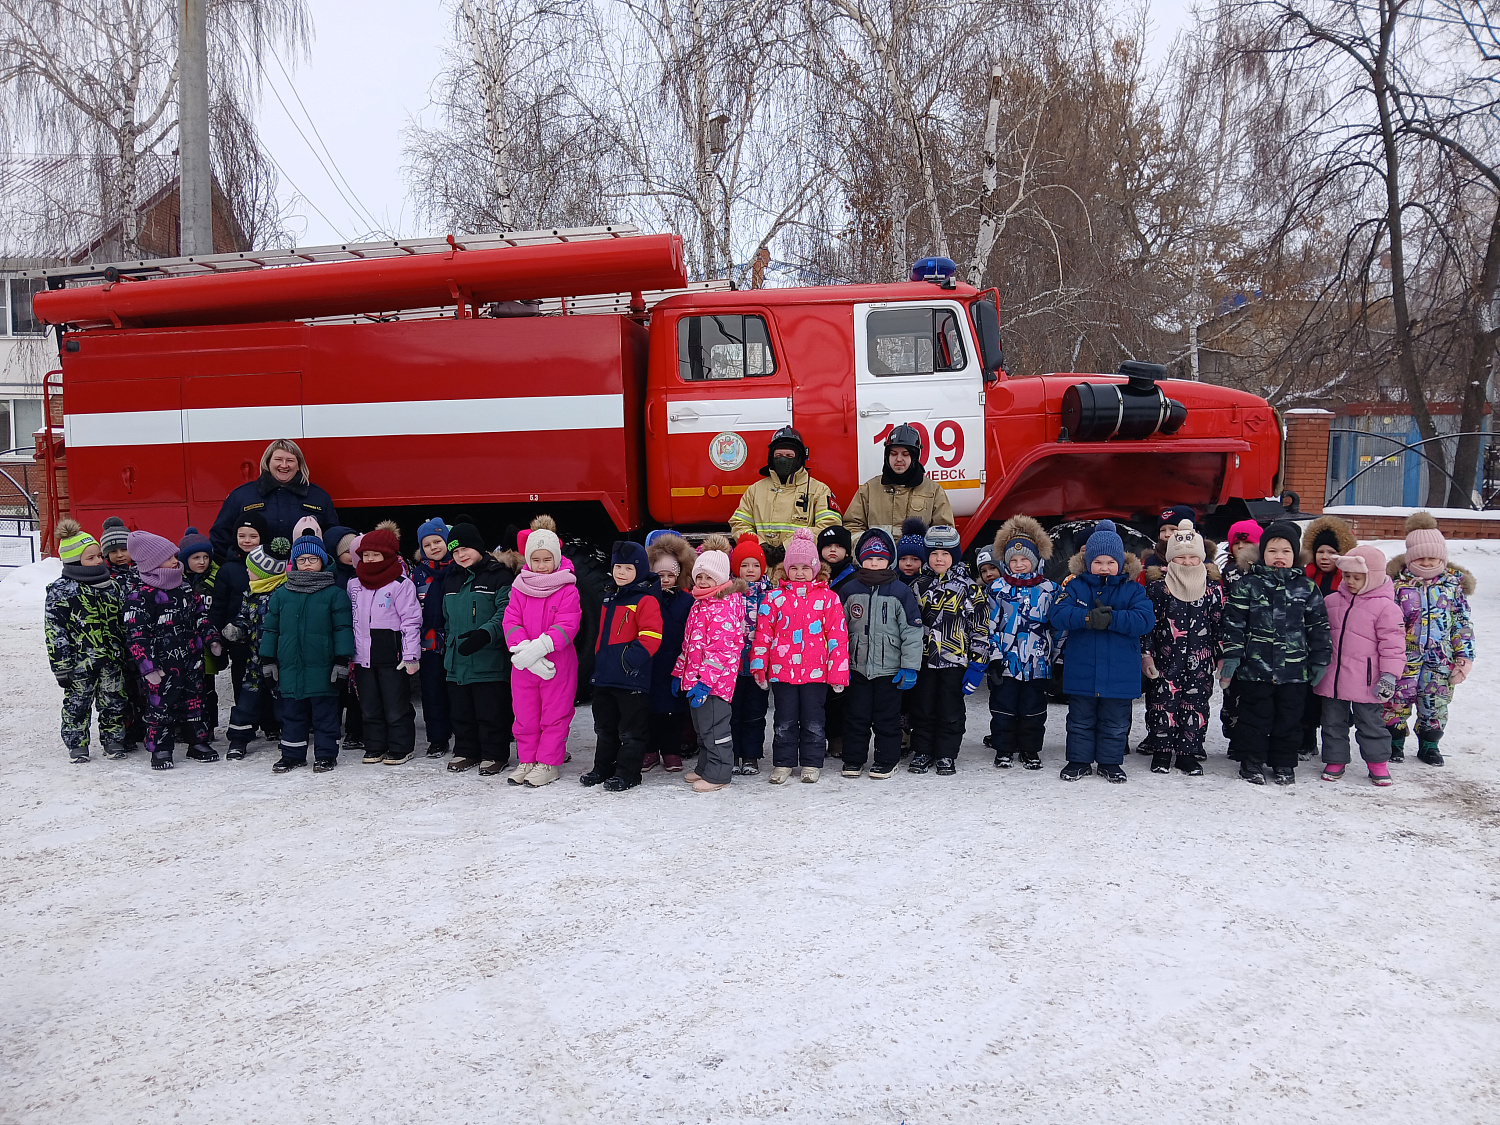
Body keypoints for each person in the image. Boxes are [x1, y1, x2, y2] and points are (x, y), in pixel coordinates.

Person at [1219, 520, 1332, 785]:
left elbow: (1319, 627)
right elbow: (1234, 622)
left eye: (1285, 551)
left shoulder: (1306, 588)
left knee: (1289, 719)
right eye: (1272, 551)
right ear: (1262, 554)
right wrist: (1233, 655)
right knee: (1254, 718)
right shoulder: (1248, 585)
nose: (1279, 556)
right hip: (1255, 669)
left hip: (1294, 671)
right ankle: (1253, 761)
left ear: (1294, 555)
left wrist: (1319, 660)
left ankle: (1284, 763)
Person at [1048, 520, 1155, 782]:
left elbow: (1145, 620)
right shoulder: (1074, 586)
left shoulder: (1134, 590)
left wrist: (1112, 620)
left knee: (1115, 723)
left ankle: (1110, 762)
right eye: (1098, 562)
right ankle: (1078, 761)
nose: (1104, 567)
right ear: (1088, 562)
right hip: (1083, 670)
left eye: (1110, 562)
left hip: (1119, 674)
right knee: (1079, 721)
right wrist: (1087, 618)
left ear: (1120, 562)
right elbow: (1058, 614)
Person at [751, 527, 850, 784]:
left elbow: (837, 638)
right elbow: (763, 635)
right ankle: (783, 763)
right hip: (783, 672)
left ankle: (811, 762)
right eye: (794, 568)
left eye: (805, 568)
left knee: (814, 720)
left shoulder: (829, 599)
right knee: (784, 719)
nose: (799, 573)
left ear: (815, 569)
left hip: (816, 672)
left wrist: (838, 672)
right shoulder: (774, 598)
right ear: (786, 569)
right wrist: (759, 666)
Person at [122, 531, 219, 770]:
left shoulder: (184, 586)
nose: (176, 561)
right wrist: (148, 667)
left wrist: (212, 639)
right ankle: (161, 748)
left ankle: (198, 742)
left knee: (195, 703)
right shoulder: (140, 595)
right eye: (169, 558)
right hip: (161, 667)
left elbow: (200, 615)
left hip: (191, 660)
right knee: (160, 707)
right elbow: (137, 635)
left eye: (175, 556)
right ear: (152, 564)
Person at [1385, 512, 1476, 766]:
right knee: (1396, 701)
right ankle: (1394, 742)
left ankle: (1429, 744)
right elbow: (1386, 623)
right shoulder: (1396, 586)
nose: (1426, 562)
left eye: (1432, 557)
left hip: (1440, 660)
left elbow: (1462, 623)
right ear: (1410, 558)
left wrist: (1464, 656)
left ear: (1442, 557)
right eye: (1420, 557)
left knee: (1434, 703)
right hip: (1403, 658)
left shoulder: (1451, 587)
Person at [260, 536, 354, 773]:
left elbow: (342, 629)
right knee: (291, 714)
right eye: (302, 559)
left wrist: (342, 661)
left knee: (325, 715)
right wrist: (268, 659)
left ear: (323, 560)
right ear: (294, 563)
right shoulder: (282, 594)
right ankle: (292, 755)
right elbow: (271, 629)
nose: (307, 563)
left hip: (322, 666)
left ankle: (325, 755)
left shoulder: (334, 593)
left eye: (313, 559)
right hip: (290, 667)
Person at [835, 528, 923, 779]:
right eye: (869, 558)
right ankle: (853, 759)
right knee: (855, 717)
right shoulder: (849, 590)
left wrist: (909, 666)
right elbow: (837, 630)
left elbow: (912, 632)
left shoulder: (899, 592)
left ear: (889, 561)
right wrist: (838, 666)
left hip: (890, 670)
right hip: (857, 668)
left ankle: (886, 759)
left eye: (880, 559)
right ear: (860, 559)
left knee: (887, 718)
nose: (874, 563)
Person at [1314, 545, 1404, 785]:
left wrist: (1389, 676)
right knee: (1332, 722)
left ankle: (1377, 763)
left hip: (1367, 681)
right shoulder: (1331, 601)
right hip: (1332, 678)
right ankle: (1335, 759)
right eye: (1347, 576)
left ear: (1373, 575)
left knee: (1371, 723)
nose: (1350, 581)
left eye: (1357, 577)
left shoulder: (1386, 608)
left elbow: (1393, 647)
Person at [1140, 520, 1223, 775]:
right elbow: (1149, 626)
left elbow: (1220, 625)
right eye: (1181, 557)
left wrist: (1221, 657)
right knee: (1162, 706)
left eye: (1192, 557)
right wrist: (1147, 655)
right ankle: (1162, 751)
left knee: (1195, 707)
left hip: (1200, 664)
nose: (1187, 562)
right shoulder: (1159, 589)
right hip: (1167, 663)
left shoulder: (1212, 590)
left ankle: (1188, 752)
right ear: (1171, 559)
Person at [502, 527, 581, 788]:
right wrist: (526, 652)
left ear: (556, 559)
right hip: (525, 664)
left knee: (554, 714)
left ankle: (548, 762)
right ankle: (527, 759)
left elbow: (568, 623)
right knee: (525, 714)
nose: (541, 565)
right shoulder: (520, 587)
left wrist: (541, 648)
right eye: (536, 559)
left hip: (557, 664)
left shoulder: (567, 588)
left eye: (547, 559)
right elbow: (511, 619)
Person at [582, 541, 663, 792]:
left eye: (628, 568)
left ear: (639, 570)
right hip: (605, 677)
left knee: (631, 732)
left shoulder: (645, 600)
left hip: (630, 679)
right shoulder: (610, 596)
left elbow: (651, 637)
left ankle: (628, 773)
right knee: (604, 728)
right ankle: (603, 768)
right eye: (617, 567)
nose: (621, 573)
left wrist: (628, 661)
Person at [45, 520, 128, 763]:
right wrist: (61, 667)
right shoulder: (61, 591)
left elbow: (121, 622)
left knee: (114, 700)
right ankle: (76, 743)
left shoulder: (111, 586)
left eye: (99, 556)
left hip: (111, 658)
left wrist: (128, 652)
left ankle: (113, 739)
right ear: (73, 561)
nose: (99, 561)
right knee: (77, 705)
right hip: (79, 663)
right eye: (91, 558)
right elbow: (55, 631)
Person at [909, 524, 989, 775]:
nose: (939, 559)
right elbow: (909, 625)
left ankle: (946, 753)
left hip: (954, 662)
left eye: (945, 554)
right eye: (934, 553)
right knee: (922, 709)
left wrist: (977, 664)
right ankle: (922, 751)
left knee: (950, 710)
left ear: (954, 556)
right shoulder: (918, 587)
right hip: (923, 660)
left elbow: (980, 628)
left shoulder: (969, 588)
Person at [673, 547, 750, 793]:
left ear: (721, 579)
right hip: (695, 679)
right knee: (702, 728)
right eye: (699, 576)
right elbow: (690, 644)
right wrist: (678, 672)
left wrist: (705, 682)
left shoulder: (723, 606)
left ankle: (719, 773)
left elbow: (721, 651)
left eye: (709, 577)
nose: (703, 581)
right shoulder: (700, 603)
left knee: (715, 728)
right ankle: (705, 767)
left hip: (714, 684)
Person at [442, 523, 516, 775]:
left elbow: (505, 612)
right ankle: (466, 750)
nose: (461, 555)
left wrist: (485, 634)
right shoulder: (450, 578)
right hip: (457, 659)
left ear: (478, 547)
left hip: (487, 657)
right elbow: (446, 617)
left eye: (465, 549)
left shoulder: (498, 575)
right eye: (454, 552)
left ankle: (494, 754)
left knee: (491, 711)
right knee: (461, 711)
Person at [985, 516, 1056, 771]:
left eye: (1024, 560)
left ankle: (1030, 749)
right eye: (1013, 561)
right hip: (1006, 662)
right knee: (1003, 708)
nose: (1019, 565)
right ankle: (1003, 747)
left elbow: (1057, 627)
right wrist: (992, 656)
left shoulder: (1049, 589)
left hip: (1038, 663)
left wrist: (1055, 657)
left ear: (1036, 560)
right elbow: (988, 624)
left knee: (1033, 709)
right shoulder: (997, 589)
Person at [347, 523, 421, 766]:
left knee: (394, 704)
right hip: (362, 654)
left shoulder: (400, 585)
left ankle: (400, 746)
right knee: (369, 705)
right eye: (365, 556)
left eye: (375, 555)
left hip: (391, 653)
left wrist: (411, 655)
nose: (369, 560)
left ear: (388, 556)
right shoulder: (354, 584)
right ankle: (375, 745)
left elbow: (411, 620)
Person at [209, 438, 339, 561]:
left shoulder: (319, 497)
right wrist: (236, 565)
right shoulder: (241, 496)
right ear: (267, 462)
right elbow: (220, 536)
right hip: (254, 576)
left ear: (298, 465)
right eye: (278, 459)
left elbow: (333, 538)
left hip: (304, 575)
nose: (284, 465)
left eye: (290, 460)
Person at [221, 537, 290, 758]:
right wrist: (237, 629)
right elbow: (244, 618)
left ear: (264, 572)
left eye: (251, 569)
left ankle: (289, 735)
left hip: (280, 661)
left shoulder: (284, 595)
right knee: (247, 701)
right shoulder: (251, 593)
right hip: (254, 660)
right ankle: (238, 739)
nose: (247, 573)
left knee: (283, 700)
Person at [729, 426, 840, 547]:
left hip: (800, 563)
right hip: (763, 562)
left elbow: (829, 526)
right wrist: (759, 545)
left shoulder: (819, 490)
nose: (783, 460)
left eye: (789, 456)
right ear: (771, 458)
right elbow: (739, 524)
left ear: (799, 459)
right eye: (778, 455)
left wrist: (788, 546)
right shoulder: (754, 490)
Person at [841, 423, 954, 535]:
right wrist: (868, 545)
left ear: (914, 457)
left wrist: (922, 549)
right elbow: (851, 525)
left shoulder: (934, 490)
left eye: (905, 454)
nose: (898, 459)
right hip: (877, 553)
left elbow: (944, 532)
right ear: (887, 456)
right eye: (894, 454)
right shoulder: (869, 490)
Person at [645, 531, 697, 772]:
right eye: (659, 575)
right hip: (650, 662)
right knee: (649, 709)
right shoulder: (646, 598)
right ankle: (650, 749)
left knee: (674, 710)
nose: (664, 580)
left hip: (675, 661)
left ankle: (672, 750)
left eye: (670, 575)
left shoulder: (686, 602)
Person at [411, 516, 456, 758]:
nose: (433, 548)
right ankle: (437, 738)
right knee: (432, 690)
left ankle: (463, 734)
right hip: (428, 641)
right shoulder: (418, 574)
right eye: (427, 545)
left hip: (453, 639)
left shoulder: (457, 570)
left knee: (456, 690)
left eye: (437, 541)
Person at [729, 533, 771, 775]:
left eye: (755, 565)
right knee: (733, 713)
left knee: (755, 713)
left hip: (759, 666)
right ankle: (733, 754)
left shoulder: (771, 594)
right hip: (733, 666)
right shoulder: (729, 594)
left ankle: (751, 756)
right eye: (744, 565)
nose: (750, 569)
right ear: (737, 568)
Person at [101, 516, 144, 748]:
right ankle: (127, 731)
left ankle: (147, 727)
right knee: (123, 689)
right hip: (117, 642)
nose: (119, 555)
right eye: (113, 550)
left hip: (140, 638)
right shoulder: (103, 578)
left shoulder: (141, 572)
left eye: (123, 549)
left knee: (143, 687)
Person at [176, 527, 220, 743]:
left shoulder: (215, 579)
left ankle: (209, 725)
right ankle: (184, 727)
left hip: (208, 644)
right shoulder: (176, 582)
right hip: (183, 645)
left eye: (205, 557)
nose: (202, 561)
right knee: (184, 689)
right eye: (196, 557)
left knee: (207, 687)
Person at [322, 524, 363, 750]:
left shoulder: (364, 575)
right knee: (335, 688)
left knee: (357, 691)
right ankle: (331, 728)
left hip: (359, 642)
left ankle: (355, 731)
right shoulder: (329, 578)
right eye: (348, 551)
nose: (354, 556)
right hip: (334, 641)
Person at [818, 524, 854, 760]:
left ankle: (837, 737)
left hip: (842, 646)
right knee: (816, 698)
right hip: (813, 648)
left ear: (848, 552)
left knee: (839, 697)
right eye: (828, 546)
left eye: (839, 546)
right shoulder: (810, 577)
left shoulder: (852, 579)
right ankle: (816, 737)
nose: (833, 550)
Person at [1301, 515, 1356, 596]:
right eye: (1320, 552)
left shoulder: (1348, 579)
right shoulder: (1306, 576)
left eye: (1331, 552)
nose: (1324, 557)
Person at [1140, 504, 1196, 574]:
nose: (1167, 534)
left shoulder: (1203, 563)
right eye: (1162, 530)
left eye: (1173, 529)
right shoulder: (1149, 563)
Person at [896, 517, 927, 584]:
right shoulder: (890, 584)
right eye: (903, 559)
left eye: (915, 559)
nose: (908, 564)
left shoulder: (929, 585)